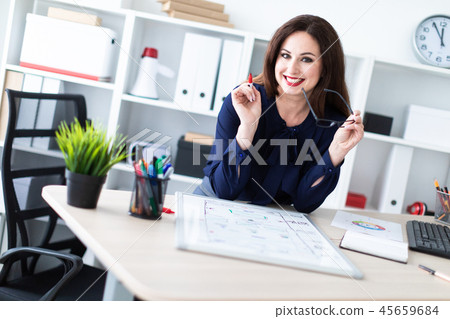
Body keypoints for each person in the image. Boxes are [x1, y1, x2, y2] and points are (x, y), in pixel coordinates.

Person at [194, 14, 364, 213]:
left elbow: (304, 204)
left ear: (326, 68)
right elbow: (223, 190)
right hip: (215, 204)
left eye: (306, 59)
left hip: (274, 218)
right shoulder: (241, 101)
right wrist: (247, 127)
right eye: (285, 55)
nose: (292, 69)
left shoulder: (332, 123)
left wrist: (335, 153)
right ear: (274, 58)